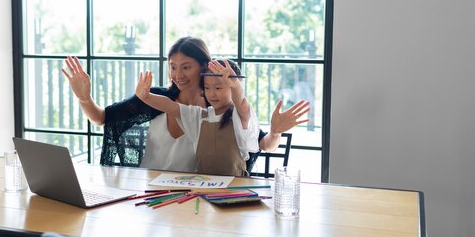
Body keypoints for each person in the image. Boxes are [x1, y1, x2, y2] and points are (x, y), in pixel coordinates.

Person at [61, 36, 310, 172]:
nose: (178, 75)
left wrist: (276, 131)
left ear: (205, 67)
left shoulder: (221, 109)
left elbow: (260, 143)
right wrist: (84, 97)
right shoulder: (158, 98)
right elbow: (102, 118)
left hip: (194, 198)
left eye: (186, 67)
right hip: (146, 190)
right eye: (172, 67)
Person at [135, 59, 259, 176]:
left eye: (218, 88)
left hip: (235, 188)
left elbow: (241, 102)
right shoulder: (199, 117)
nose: (212, 93)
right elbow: (171, 106)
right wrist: (146, 97)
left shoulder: (239, 116)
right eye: (207, 88)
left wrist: (235, 85)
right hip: (203, 185)